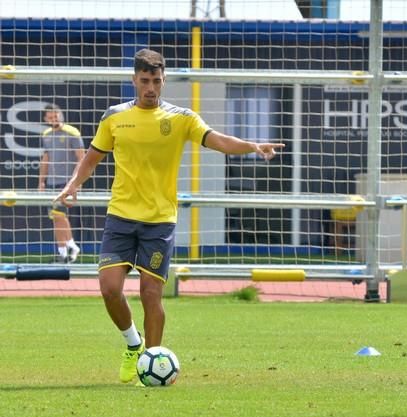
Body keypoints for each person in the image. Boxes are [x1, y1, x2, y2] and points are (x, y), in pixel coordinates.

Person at [54, 49, 284, 384]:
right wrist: (74, 183)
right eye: (145, 80)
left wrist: (251, 146)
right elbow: (92, 157)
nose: (151, 87)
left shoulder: (181, 118)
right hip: (120, 216)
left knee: (150, 292)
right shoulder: (114, 117)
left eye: (157, 81)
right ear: (134, 80)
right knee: (109, 288)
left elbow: (218, 140)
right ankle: (134, 344)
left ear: (164, 81)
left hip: (160, 221)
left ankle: (152, 362)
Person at [39, 104, 85, 263]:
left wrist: (76, 182)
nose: (54, 119)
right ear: (46, 119)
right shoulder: (46, 134)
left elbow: (82, 159)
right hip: (51, 182)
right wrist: (41, 182)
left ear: (61, 115)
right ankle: (63, 254)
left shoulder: (72, 132)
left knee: (60, 215)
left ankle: (72, 245)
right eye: (50, 117)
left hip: (66, 182)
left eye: (56, 116)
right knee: (55, 217)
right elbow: (45, 159)